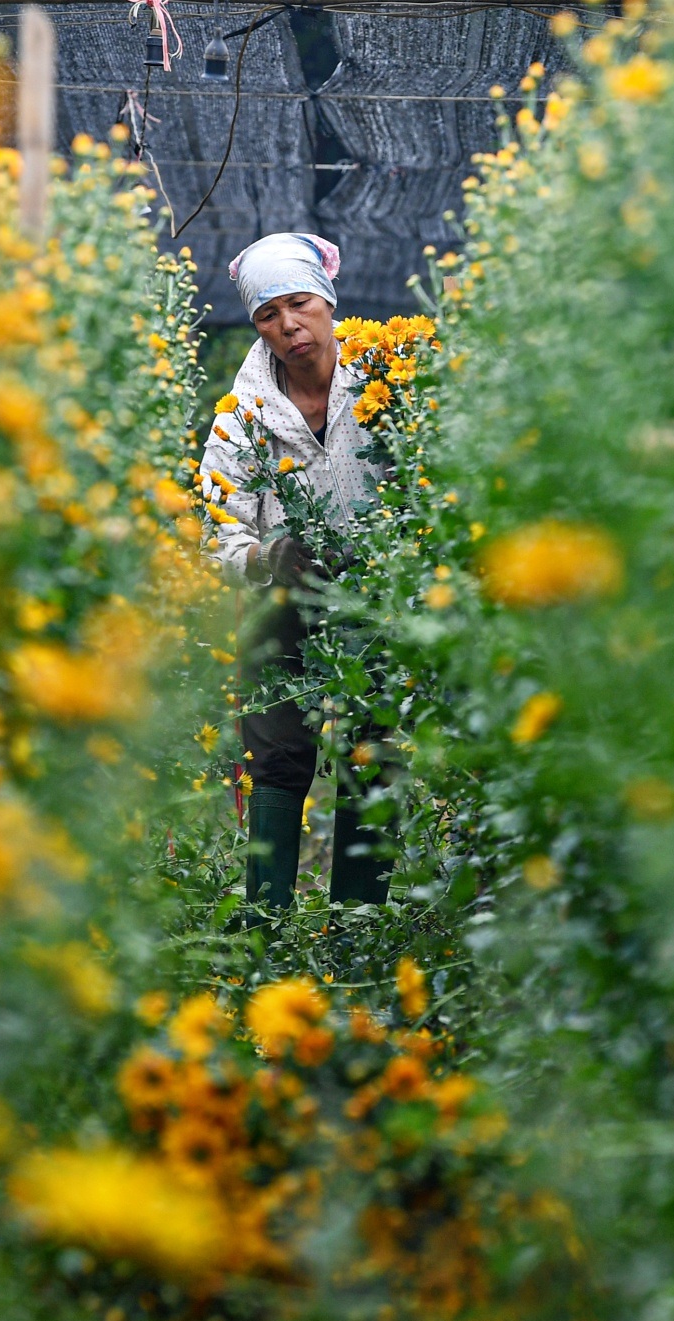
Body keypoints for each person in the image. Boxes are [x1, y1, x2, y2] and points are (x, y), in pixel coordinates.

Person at [198, 232, 393, 910]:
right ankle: (267, 932)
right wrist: (262, 557)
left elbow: (432, 479)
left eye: (299, 303)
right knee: (276, 759)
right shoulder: (241, 417)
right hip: (282, 605)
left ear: (329, 300)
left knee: (375, 755)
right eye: (267, 314)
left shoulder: (387, 382)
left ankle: (362, 930)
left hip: (378, 601)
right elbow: (217, 535)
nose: (287, 325)